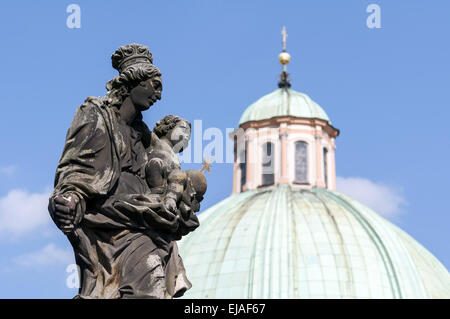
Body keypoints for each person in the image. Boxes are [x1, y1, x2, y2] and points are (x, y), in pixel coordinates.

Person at [48, 43, 196, 299]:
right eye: (155, 85)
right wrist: (69, 197)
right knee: (150, 289)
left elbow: (159, 176)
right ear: (134, 82)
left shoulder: (143, 134)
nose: (158, 96)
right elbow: (74, 167)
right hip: (112, 217)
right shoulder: (95, 114)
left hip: (145, 218)